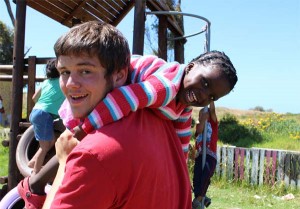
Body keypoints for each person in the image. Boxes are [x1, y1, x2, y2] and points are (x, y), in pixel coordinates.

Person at [17, 21, 238, 208]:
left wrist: (67, 157)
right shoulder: (165, 88)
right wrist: (82, 129)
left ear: (120, 75)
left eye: (86, 71)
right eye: (64, 72)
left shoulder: (97, 153)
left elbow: (181, 147)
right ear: (189, 68)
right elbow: (123, 100)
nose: (203, 94)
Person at [28, 59, 65, 175]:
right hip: (44, 114)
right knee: (44, 147)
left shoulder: (46, 82)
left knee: (50, 141)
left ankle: (33, 162)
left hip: (36, 111)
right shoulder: (62, 81)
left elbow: (34, 97)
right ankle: (35, 174)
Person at [191, 101, 218, 209]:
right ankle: (203, 198)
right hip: (200, 155)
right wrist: (202, 119)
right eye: (200, 114)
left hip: (210, 156)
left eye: (205, 114)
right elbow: (200, 129)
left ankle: (198, 200)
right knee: (196, 179)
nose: (204, 115)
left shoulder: (213, 124)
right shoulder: (199, 127)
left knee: (206, 175)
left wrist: (210, 98)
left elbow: (212, 110)